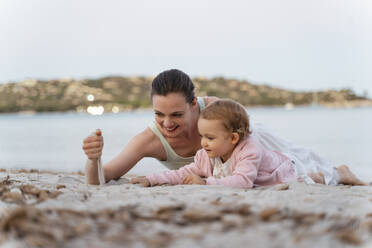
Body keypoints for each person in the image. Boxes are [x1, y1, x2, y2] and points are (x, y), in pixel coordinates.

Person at [82, 69, 366, 186]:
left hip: (256, 144)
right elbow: (102, 177)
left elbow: (253, 156)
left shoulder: (218, 110)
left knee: (294, 163)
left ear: (195, 104)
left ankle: (338, 172)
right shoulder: (149, 140)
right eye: (159, 114)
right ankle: (331, 174)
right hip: (231, 175)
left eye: (177, 114)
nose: (167, 124)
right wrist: (93, 159)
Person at [130, 99, 299, 188]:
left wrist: (205, 183)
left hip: (281, 171)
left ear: (233, 138)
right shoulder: (205, 155)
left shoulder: (249, 150)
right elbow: (182, 173)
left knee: (301, 179)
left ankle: (315, 176)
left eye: (210, 138)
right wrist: (152, 179)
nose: (203, 143)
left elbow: (243, 182)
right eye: (202, 136)